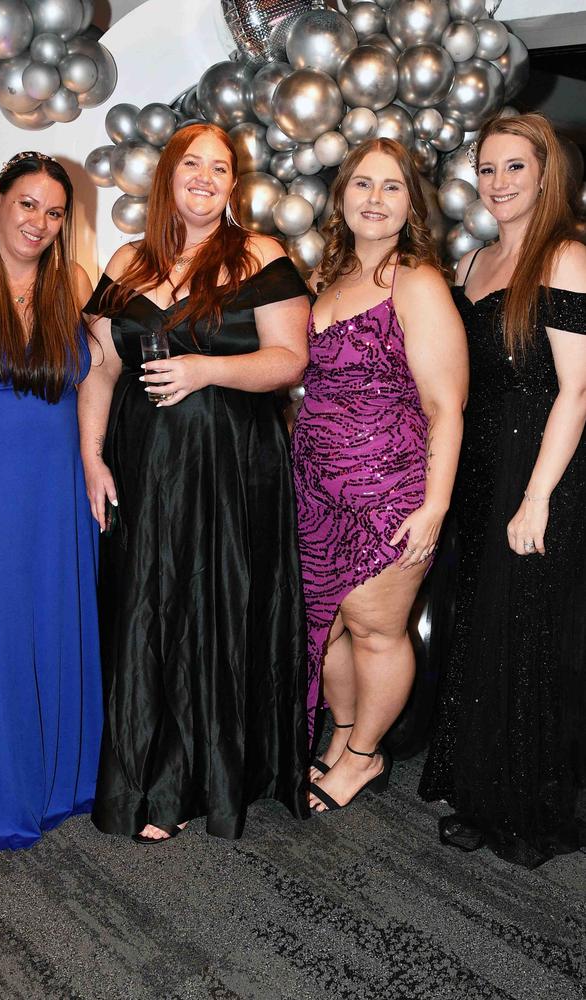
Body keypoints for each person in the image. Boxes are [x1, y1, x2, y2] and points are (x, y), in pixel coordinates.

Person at [80, 122, 311, 843]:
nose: (205, 177)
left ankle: (203, 777)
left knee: (217, 605)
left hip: (232, 466)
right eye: (192, 164)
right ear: (168, 177)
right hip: (144, 462)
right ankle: (147, 772)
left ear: (233, 185)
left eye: (220, 168)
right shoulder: (127, 259)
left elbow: (289, 360)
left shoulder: (259, 255)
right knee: (147, 604)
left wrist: (207, 369)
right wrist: (91, 454)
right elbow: (101, 369)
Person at [419, 112, 586, 868]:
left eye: (515, 167)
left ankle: (531, 804)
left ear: (546, 174)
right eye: (487, 168)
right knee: (485, 623)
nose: (498, 182)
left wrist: (538, 496)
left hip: (542, 469)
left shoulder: (567, 257)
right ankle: (485, 785)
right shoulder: (474, 261)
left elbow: (578, 392)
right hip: (483, 468)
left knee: (531, 631)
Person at [291, 138, 468, 813]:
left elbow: (445, 405)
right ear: (342, 198)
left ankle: (364, 758)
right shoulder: (328, 281)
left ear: (410, 205)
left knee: (375, 630)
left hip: (391, 491)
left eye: (391, 187)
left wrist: (435, 506)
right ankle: (342, 734)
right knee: (324, 628)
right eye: (362, 184)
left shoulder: (415, 280)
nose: (374, 198)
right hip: (316, 486)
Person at [0, 152, 103, 851]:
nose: (39, 221)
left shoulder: (74, 282)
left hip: (56, 481)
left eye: (54, 211)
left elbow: (93, 378)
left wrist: (93, 461)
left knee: (49, 615)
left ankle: (54, 779)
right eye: (27, 203)